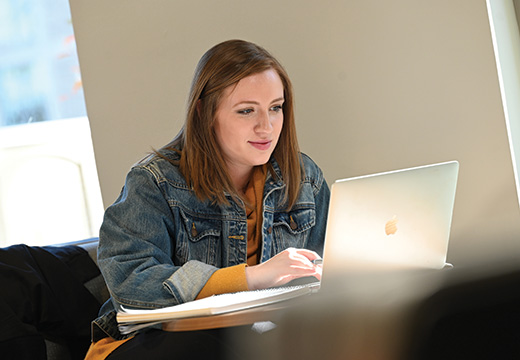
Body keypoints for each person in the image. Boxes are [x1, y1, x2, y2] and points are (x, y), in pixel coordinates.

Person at [84, 39, 330, 359]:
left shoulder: (304, 177)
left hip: (254, 339)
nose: (266, 126)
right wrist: (252, 278)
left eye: (275, 107)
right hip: (150, 344)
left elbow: (333, 270)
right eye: (246, 111)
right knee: (223, 346)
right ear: (205, 112)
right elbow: (131, 282)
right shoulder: (154, 183)